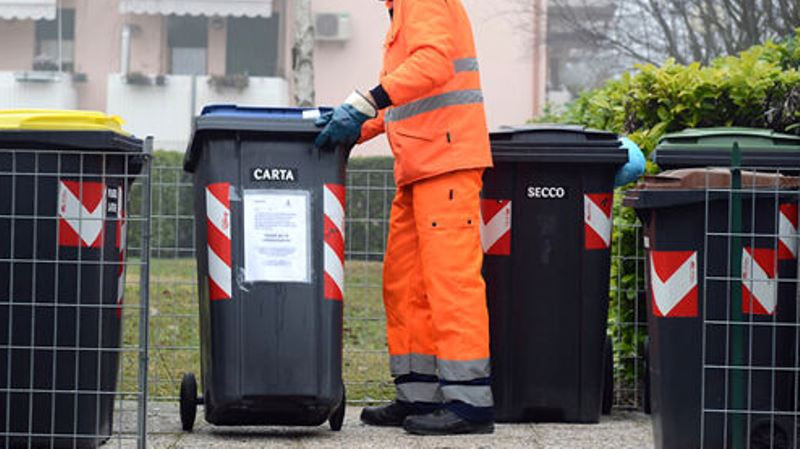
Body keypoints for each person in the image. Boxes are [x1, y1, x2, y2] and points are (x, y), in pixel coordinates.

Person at [315, 0, 495, 436]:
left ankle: (469, 403)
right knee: (406, 286)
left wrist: (363, 102)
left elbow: (432, 65)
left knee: (451, 285)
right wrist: (358, 123)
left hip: (446, 163)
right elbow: (406, 98)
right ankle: (417, 393)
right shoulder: (402, 11)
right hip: (421, 168)